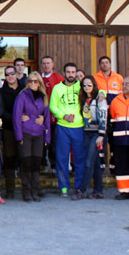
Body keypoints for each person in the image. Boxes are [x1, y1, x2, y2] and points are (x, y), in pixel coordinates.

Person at [13, 72, 51, 201]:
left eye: (35, 81)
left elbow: (47, 118)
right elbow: (17, 117)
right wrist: (19, 136)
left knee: (36, 163)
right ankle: (27, 191)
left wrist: (47, 137)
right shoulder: (22, 96)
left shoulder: (43, 97)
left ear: (39, 83)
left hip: (39, 133)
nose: (33, 83)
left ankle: (35, 190)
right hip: (26, 133)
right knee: (26, 162)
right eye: (30, 81)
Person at [49, 62, 85, 198]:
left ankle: (78, 187)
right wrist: (63, 116)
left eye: (73, 72)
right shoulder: (57, 88)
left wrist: (101, 95)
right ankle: (64, 186)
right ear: (64, 73)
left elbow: (94, 92)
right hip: (63, 126)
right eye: (68, 72)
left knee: (79, 158)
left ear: (76, 73)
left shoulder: (81, 86)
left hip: (79, 127)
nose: (71, 74)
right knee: (62, 158)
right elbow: (53, 106)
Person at [78, 76, 108, 200]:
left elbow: (103, 116)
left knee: (89, 161)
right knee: (95, 163)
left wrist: (101, 134)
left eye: (89, 85)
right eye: (84, 85)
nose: (87, 87)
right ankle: (98, 190)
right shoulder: (84, 99)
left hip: (97, 134)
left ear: (94, 85)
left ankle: (81, 189)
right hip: (87, 132)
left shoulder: (99, 99)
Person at [0, 66, 21, 199]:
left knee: (25, 158)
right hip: (9, 128)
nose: (10, 76)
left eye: (12, 74)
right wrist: (15, 118)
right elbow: (1, 110)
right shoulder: (1, 92)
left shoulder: (25, 89)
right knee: (9, 158)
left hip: (25, 128)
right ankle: (10, 189)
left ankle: (29, 189)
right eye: (7, 75)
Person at [41, 55, 64, 171]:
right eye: (44, 63)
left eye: (48, 63)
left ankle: (54, 166)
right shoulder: (38, 78)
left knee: (54, 142)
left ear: (53, 64)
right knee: (40, 141)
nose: (46, 65)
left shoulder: (59, 79)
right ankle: (42, 164)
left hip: (54, 116)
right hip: (40, 116)